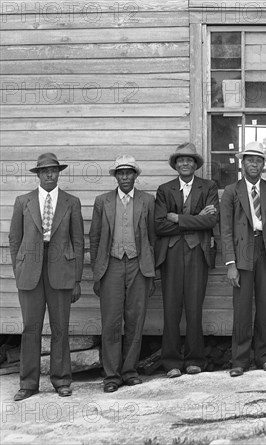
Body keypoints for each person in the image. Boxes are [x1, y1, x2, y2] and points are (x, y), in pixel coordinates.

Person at [9, 153, 84, 401]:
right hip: (30, 272)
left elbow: (78, 240)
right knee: (31, 328)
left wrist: (76, 279)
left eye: (53, 170)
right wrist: (19, 269)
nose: (50, 174)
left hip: (61, 271)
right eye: (45, 171)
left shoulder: (71, 202)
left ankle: (61, 380)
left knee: (60, 328)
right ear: (38, 174)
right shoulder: (23, 202)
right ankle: (28, 384)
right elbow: (14, 239)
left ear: (59, 173)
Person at [89, 155, 156, 392]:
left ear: (135, 176)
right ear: (116, 176)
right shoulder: (102, 201)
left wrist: (150, 268)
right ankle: (111, 376)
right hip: (111, 265)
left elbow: (152, 237)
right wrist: (98, 271)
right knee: (111, 322)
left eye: (129, 173)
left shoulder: (147, 201)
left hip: (138, 265)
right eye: (121, 173)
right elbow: (95, 238)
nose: (125, 177)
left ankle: (129, 371)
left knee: (135, 321)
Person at [220, 141, 266, 377]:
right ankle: (239, 360)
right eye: (250, 160)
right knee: (242, 307)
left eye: (258, 160)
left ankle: (264, 356)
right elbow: (225, 229)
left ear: (263, 164)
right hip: (242, 253)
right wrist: (230, 264)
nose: (254, 164)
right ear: (242, 163)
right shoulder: (231, 191)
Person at [155, 143, 219, 378]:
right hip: (170, 253)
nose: (185, 163)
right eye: (181, 160)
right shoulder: (164, 189)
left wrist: (177, 218)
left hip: (197, 253)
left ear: (195, 164)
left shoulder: (208, 187)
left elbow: (211, 222)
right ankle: (170, 361)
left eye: (189, 160)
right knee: (171, 308)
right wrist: (194, 219)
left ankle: (195, 359)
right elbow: (159, 225)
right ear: (176, 164)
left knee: (194, 307)